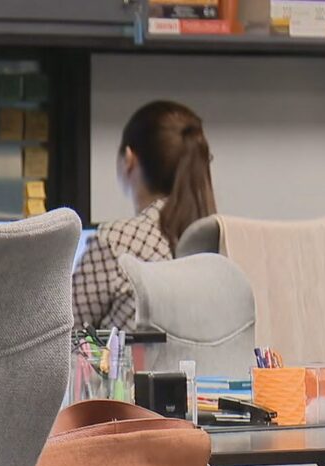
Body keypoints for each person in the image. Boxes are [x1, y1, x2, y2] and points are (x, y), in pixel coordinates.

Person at [72, 100, 217, 329]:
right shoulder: (218, 241)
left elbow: (60, 333)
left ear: (129, 159)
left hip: (131, 356)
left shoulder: (116, 242)